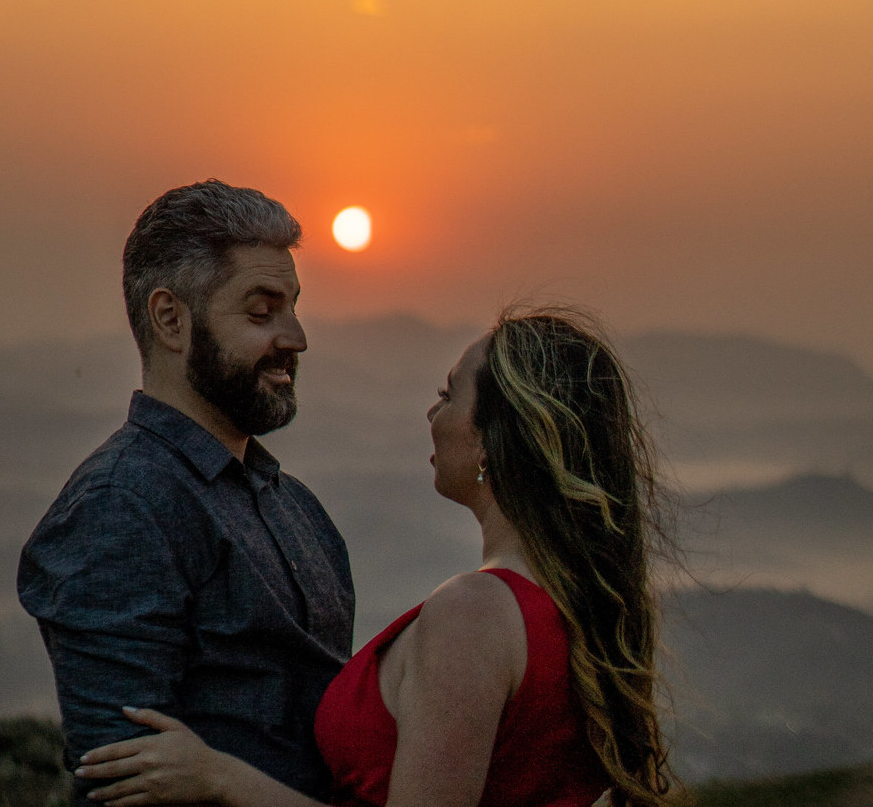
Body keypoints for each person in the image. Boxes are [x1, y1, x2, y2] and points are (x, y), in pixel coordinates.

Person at [75, 308, 673, 807]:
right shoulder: (575, 608)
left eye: (449, 395)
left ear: (493, 437)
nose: (433, 414)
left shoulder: (475, 615)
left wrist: (219, 778)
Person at [18, 180, 355, 801]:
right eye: (262, 313)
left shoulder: (294, 505)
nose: (296, 338)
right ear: (171, 319)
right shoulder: (122, 507)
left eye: (293, 307)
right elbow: (124, 781)